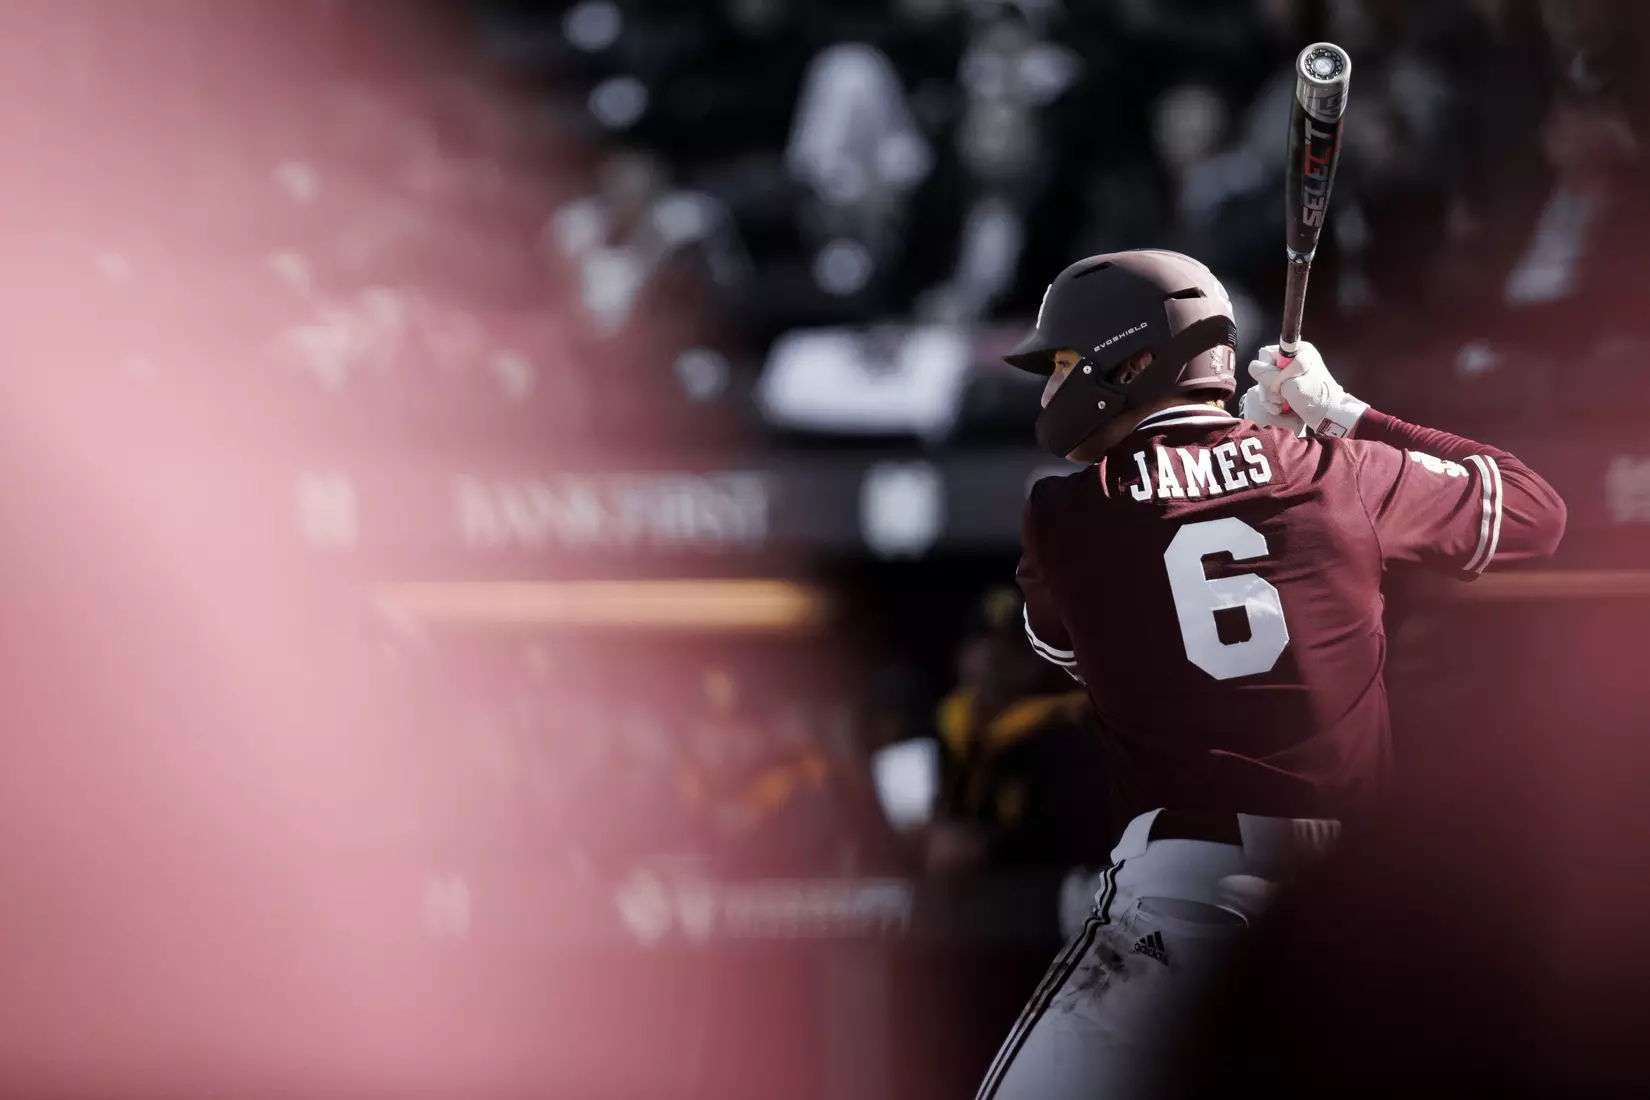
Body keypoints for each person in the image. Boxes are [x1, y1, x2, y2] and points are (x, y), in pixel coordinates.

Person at [974, 249, 1567, 1100]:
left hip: (1183, 897)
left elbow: (1063, 647)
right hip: (1361, 910)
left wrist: (1254, 459)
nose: (1047, 390)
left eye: (1063, 364)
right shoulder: (1339, 474)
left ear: (1135, 360)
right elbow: (1536, 512)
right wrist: (1339, 417)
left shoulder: (1064, 512)